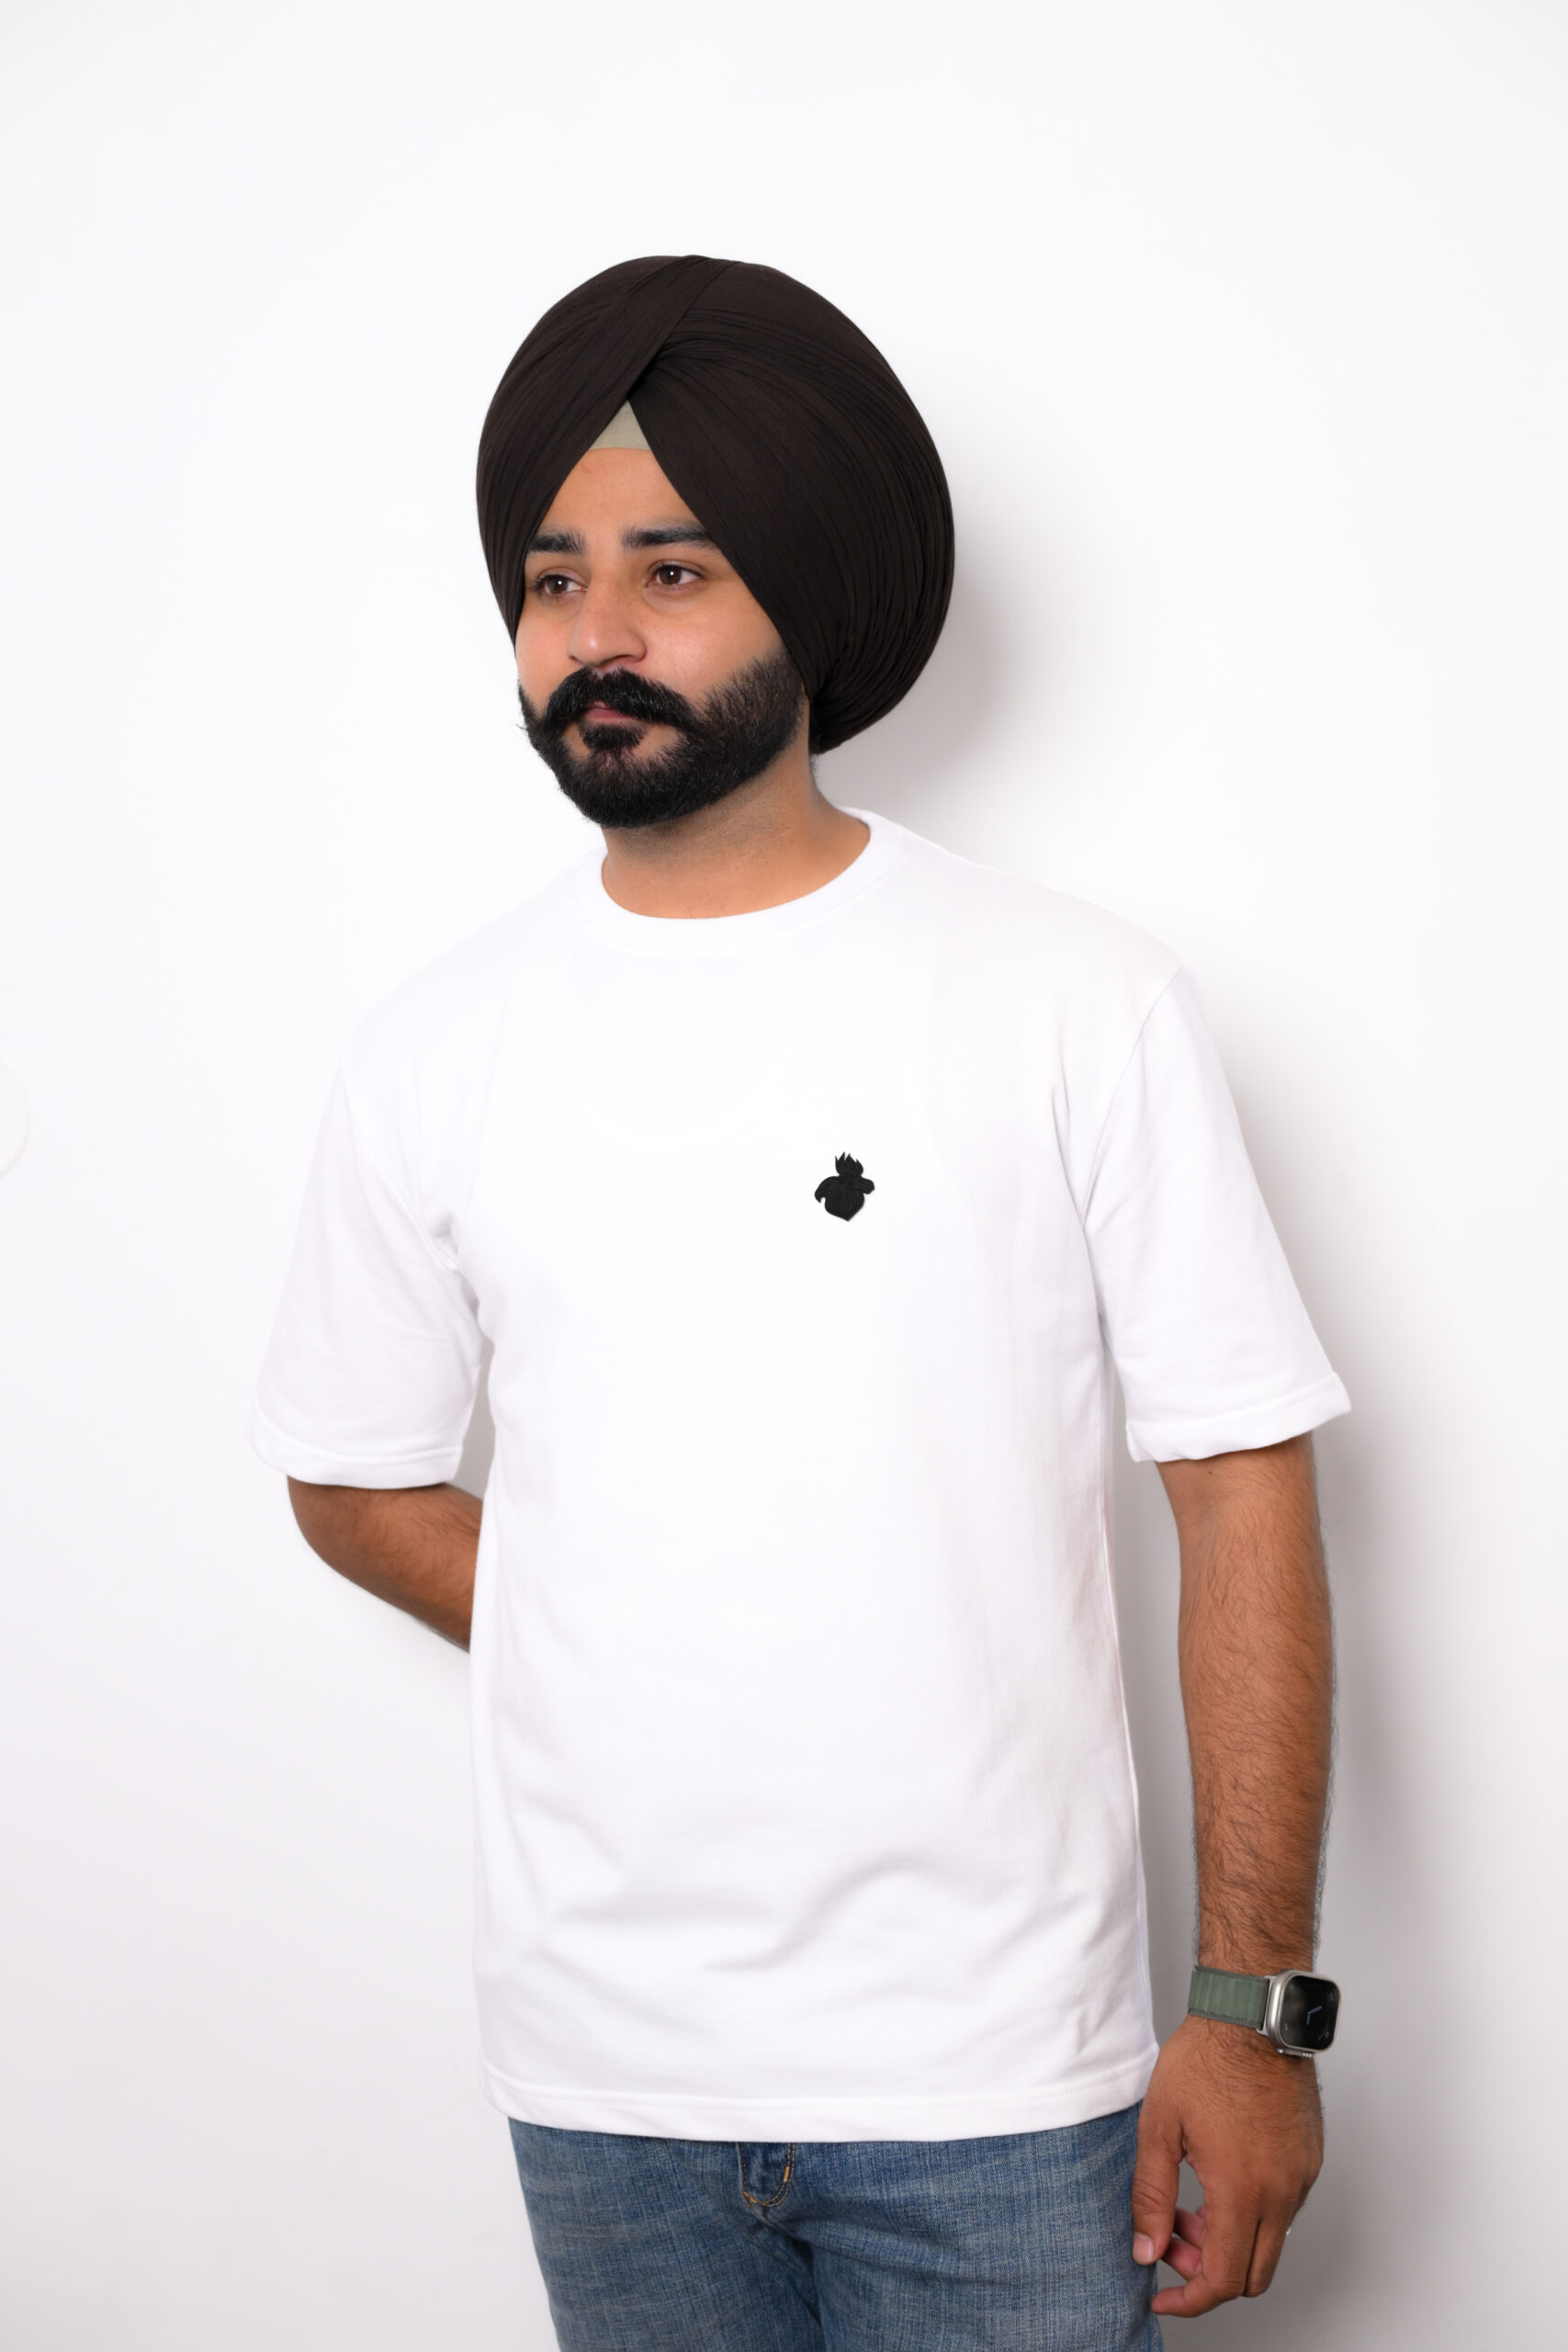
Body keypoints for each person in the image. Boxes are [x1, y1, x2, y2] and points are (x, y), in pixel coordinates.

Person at [253, 254, 1349, 2351]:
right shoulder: (430, 1050)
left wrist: (1251, 2008)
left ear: (807, 596)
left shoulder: (1073, 999)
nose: (597, 632)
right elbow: (351, 1478)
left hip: (1003, 2080)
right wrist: (627, 1617)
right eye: (554, 578)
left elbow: (1239, 1486)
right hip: (604, 2080)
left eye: (670, 570)